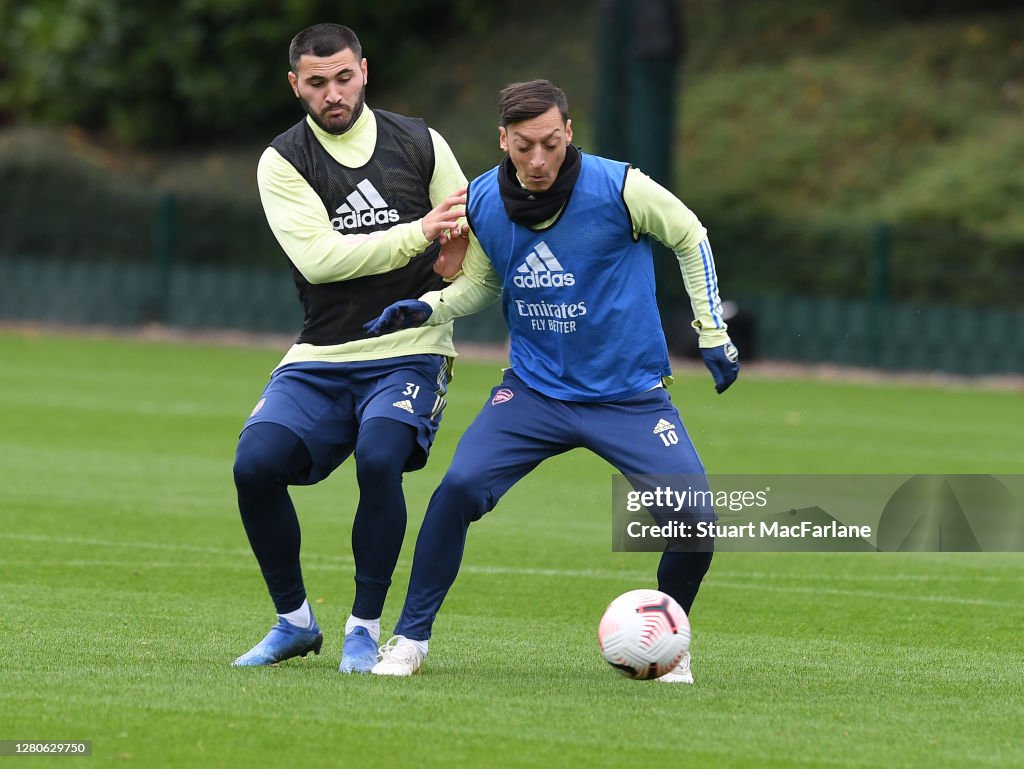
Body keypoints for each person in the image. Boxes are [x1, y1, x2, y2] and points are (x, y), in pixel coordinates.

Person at [363, 79, 739, 683]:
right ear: (503, 140)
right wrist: (431, 306)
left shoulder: (621, 187)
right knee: (457, 488)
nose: (537, 160)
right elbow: (486, 283)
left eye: (549, 144)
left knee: (694, 519)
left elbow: (690, 235)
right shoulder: (482, 199)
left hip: (629, 397)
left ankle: (669, 644)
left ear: (568, 133)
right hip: (534, 393)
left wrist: (711, 330)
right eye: (523, 147)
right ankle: (409, 641)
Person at [231, 23, 468, 672]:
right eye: (316, 82)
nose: (332, 93)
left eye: (343, 77)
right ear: (295, 86)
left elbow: (470, 225)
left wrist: (450, 272)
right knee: (253, 465)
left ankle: (363, 628)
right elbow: (321, 259)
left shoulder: (420, 142)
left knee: (379, 455)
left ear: (364, 70)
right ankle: (294, 622)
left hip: (412, 346)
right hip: (323, 352)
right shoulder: (282, 161)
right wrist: (420, 231)